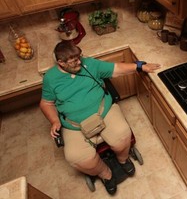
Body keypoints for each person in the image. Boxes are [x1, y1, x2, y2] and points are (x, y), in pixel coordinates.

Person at [39, 41, 161, 195]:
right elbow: (46, 103)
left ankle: (123, 159)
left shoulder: (88, 63)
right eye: (74, 61)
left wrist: (139, 66)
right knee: (76, 157)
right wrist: (54, 121)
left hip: (103, 110)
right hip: (73, 124)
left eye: (79, 57)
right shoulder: (51, 78)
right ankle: (106, 174)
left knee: (123, 134)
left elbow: (116, 68)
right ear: (61, 63)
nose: (79, 62)